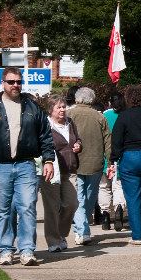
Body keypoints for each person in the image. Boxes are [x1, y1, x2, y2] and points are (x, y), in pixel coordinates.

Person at [0, 67, 55, 266]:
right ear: (3, 83)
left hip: (26, 165)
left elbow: (45, 136)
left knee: (27, 208)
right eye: (11, 82)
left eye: (18, 82)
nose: (15, 85)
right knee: (1, 210)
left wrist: (49, 160)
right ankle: (5, 250)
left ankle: (27, 250)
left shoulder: (32, 108)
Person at [110, 85, 141, 245]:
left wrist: (113, 159)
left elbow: (116, 140)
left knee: (133, 197)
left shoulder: (123, 116)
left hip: (130, 157)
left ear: (129, 99)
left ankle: (137, 235)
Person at [69, 87, 112, 243]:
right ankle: (83, 229)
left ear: (77, 98)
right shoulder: (99, 117)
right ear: (92, 100)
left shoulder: (69, 114)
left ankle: (81, 230)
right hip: (95, 163)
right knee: (89, 197)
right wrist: (110, 161)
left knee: (78, 198)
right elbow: (108, 141)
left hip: (75, 162)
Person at [42, 94, 81, 252]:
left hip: (67, 171)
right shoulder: (46, 125)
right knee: (52, 207)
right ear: (51, 110)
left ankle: (61, 234)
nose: (63, 110)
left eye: (64, 106)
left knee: (72, 203)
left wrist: (78, 144)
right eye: (59, 107)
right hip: (50, 172)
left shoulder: (70, 123)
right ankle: (53, 241)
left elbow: (77, 139)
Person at [101, 92, 127, 231]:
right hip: (120, 156)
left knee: (103, 186)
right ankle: (118, 208)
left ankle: (105, 214)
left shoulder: (104, 115)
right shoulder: (127, 115)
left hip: (106, 156)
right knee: (119, 186)